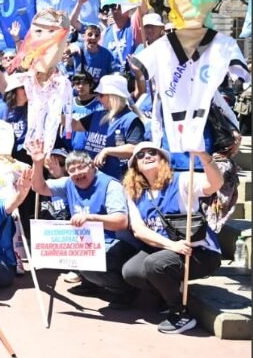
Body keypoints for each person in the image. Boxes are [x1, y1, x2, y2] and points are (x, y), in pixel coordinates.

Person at [121, 142, 223, 334]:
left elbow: (215, 184)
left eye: (153, 152)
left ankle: (181, 313)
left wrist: (203, 155)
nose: (147, 156)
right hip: (170, 249)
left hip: (199, 252)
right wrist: (172, 245)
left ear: (163, 159)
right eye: (140, 155)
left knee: (154, 264)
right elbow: (139, 230)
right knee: (131, 272)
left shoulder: (182, 180)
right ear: (135, 166)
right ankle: (168, 295)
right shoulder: (133, 192)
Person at [27, 142, 138, 307]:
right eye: (72, 170)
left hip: (118, 243)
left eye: (81, 168)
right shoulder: (68, 183)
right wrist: (37, 163)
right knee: (70, 250)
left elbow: (121, 222)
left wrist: (90, 218)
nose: (77, 173)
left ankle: (125, 290)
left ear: (92, 166)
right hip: (89, 241)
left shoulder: (110, 185)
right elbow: (39, 188)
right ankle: (94, 282)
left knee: (87, 262)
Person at [73, 74, 143, 181]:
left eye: (101, 95)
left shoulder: (130, 119)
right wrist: (58, 108)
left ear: (112, 96)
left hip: (117, 180)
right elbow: (75, 125)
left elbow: (135, 148)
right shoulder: (98, 114)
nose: (98, 98)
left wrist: (107, 151)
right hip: (93, 178)